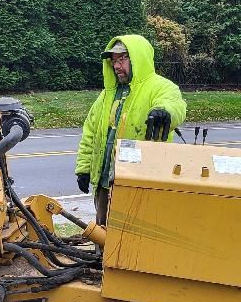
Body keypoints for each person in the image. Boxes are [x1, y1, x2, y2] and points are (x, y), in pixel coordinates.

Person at [75, 34, 186, 225]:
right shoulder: (107, 95)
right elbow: (91, 133)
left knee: (134, 241)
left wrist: (164, 112)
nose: (117, 65)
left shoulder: (161, 87)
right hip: (105, 184)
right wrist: (84, 169)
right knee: (103, 237)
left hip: (140, 184)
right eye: (113, 61)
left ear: (137, 57)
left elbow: (175, 106)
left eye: (122, 59)